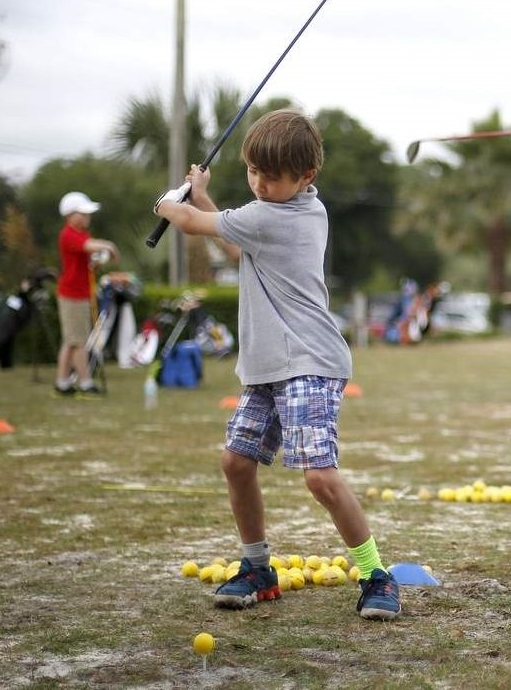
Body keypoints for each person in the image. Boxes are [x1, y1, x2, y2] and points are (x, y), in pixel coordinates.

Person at [155, 109, 401, 621]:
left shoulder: (279, 216)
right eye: (253, 173)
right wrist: (200, 197)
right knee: (236, 463)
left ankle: (377, 574)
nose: (261, 185)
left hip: (309, 362)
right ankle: (256, 568)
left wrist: (169, 204)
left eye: (272, 176)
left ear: (306, 176)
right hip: (268, 365)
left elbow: (198, 226)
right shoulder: (293, 210)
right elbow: (235, 240)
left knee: (319, 478)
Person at [54, 191, 120, 397]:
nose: (87, 217)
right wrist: (109, 246)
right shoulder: (69, 235)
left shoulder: (82, 234)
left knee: (71, 340)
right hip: (72, 295)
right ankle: (84, 383)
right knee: (79, 341)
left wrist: (99, 260)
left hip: (80, 293)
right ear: (70, 215)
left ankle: (62, 383)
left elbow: (88, 259)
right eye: (82, 213)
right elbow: (88, 247)